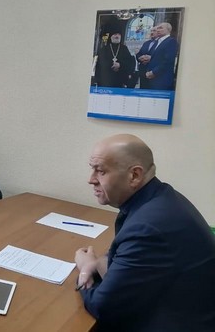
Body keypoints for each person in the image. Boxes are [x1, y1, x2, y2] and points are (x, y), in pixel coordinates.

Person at [74, 134, 215, 331]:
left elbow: (103, 307)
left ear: (135, 175)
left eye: (101, 171)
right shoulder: (160, 197)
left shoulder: (147, 228)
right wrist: (97, 263)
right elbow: (126, 255)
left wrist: (84, 269)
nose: (91, 180)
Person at [140, 22, 178, 90]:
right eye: (157, 28)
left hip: (162, 79)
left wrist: (153, 72)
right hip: (151, 79)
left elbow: (168, 61)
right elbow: (157, 56)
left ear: (168, 29)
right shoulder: (157, 42)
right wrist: (148, 58)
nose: (158, 30)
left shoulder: (171, 41)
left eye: (160, 28)